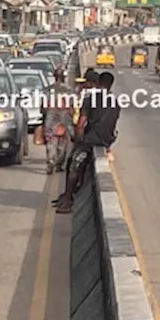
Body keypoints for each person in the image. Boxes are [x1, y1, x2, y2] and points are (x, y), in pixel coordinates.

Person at [54, 72, 120, 215]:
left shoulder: (91, 99)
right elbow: (112, 125)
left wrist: (78, 141)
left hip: (91, 140)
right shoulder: (115, 102)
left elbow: (81, 124)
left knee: (73, 165)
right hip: (107, 140)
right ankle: (69, 195)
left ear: (97, 84)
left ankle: (68, 200)